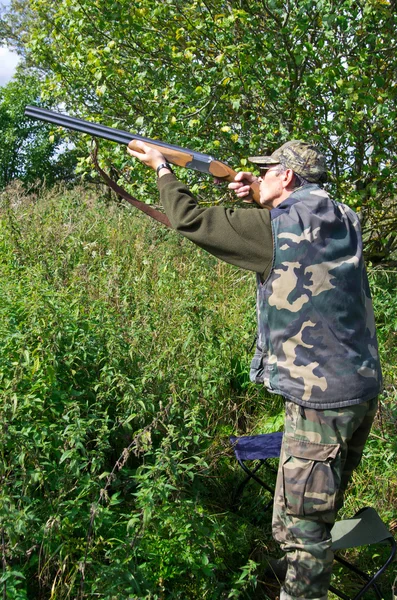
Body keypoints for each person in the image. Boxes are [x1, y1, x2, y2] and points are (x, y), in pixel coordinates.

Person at [127, 139, 382, 600]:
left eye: (267, 172)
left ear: (286, 177)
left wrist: (163, 168)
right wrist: (248, 188)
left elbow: (191, 220)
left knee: (303, 532)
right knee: (312, 513)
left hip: (316, 400)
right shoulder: (345, 217)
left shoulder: (275, 224)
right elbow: (286, 227)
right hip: (359, 390)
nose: (258, 176)